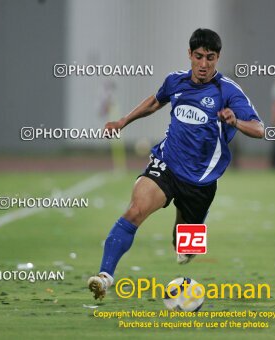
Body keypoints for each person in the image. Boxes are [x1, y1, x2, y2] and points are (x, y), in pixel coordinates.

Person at [88, 28, 264, 300]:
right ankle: (104, 277)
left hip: (201, 182)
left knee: (185, 248)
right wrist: (123, 121)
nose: (204, 64)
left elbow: (259, 129)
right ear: (189, 55)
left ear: (218, 58)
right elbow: (155, 102)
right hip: (167, 165)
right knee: (135, 210)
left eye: (210, 58)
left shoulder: (228, 91)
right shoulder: (175, 82)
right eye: (198, 57)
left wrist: (236, 122)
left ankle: (185, 238)